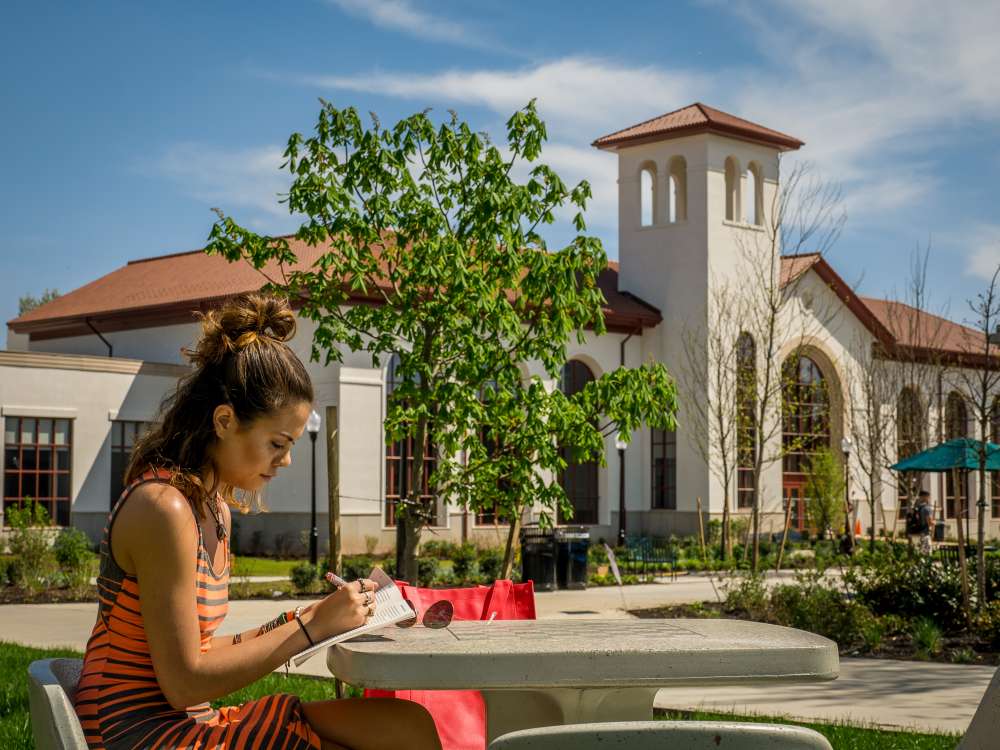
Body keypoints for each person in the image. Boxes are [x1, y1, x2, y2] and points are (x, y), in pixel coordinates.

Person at [74, 293, 441, 750]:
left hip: (185, 720)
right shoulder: (163, 508)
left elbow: (201, 651)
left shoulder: (213, 510)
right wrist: (310, 628)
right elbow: (184, 682)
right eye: (277, 444)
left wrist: (309, 616)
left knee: (407, 724)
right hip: (135, 732)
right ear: (225, 421)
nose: (285, 461)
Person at [906, 489, 935, 555]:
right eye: (928, 497)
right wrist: (934, 522)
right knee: (927, 553)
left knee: (920, 552)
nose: (929, 498)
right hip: (925, 532)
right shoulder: (927, 508)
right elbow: (929, 522)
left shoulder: (918, 508)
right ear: (925, 497)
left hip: (918, 531)